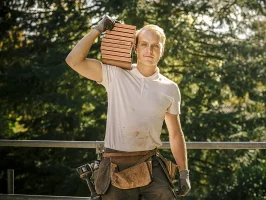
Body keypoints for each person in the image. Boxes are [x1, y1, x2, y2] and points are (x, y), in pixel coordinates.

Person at [66, 15, 191, 200]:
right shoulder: (115, 74)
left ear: (162, 51)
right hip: (116, 165)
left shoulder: (170, 88)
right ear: (135, 48)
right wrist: (98, 28)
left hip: (151, 164)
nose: (149, 50)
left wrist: (183, 172)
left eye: (155, 45)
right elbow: (73, 61)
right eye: (144, 44)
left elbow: (175, 134)